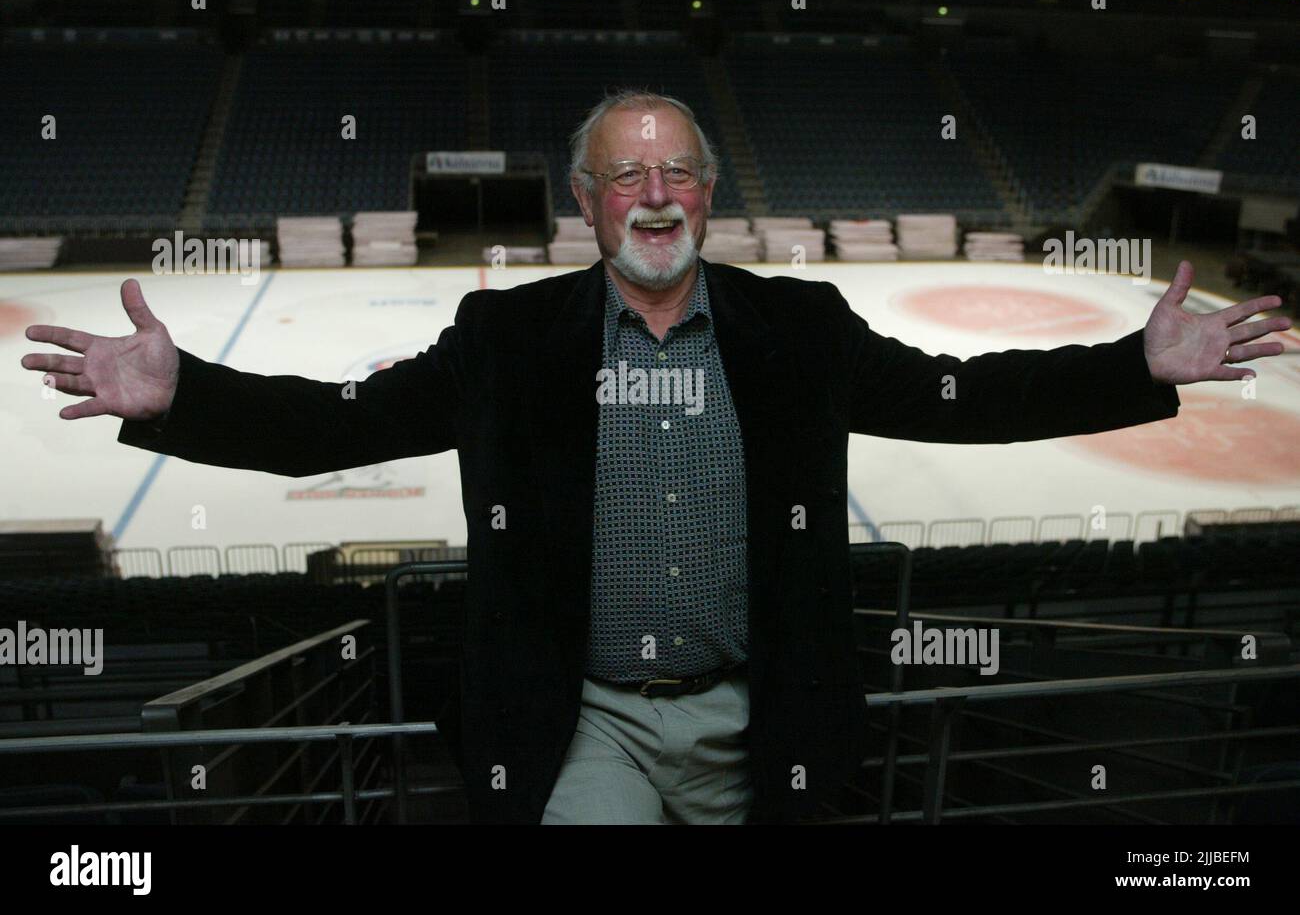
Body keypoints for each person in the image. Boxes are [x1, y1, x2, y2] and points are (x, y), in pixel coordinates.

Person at [21, 89, 1291, 824]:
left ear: (709, 192)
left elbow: (963, 396)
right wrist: (184, 395)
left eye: (678, 169)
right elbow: (339, 423)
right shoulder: (507, 338)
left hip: (760, 707)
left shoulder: (798, 327)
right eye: (625, 174)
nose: (656, 192)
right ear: (584, 201)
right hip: (591, 723)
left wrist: (1132, 365)